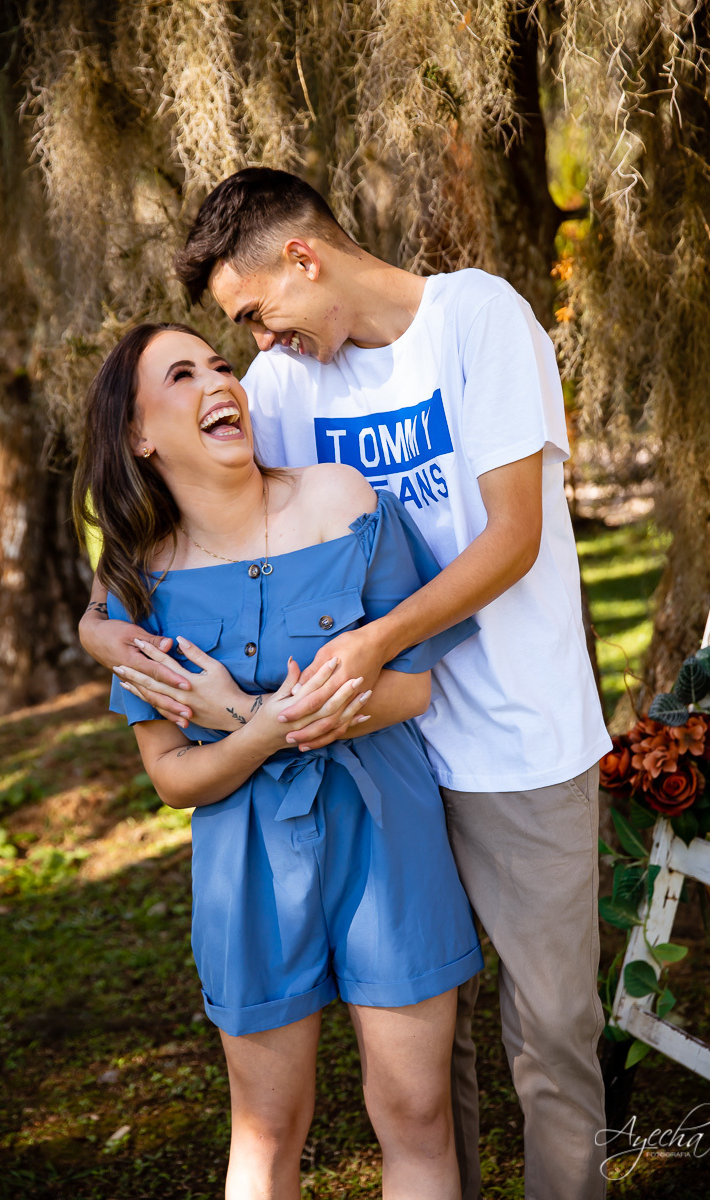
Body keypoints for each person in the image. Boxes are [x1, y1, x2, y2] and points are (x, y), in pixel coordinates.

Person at [79, 170, 613, 1199]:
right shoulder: (284, 386)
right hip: (387, 762)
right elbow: (205, 527)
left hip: (517, 741)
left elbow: (511, 538)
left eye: (252, 314)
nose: (255, 347)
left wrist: (372, 648)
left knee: (550, 1035)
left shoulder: (477, 319)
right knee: (425, 1069)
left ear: (304, 260)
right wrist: (100, 632)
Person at [73, 321, 485, 1199]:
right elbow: (173, 775)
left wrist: (246, 713)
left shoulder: (341, 499)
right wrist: (261, 732)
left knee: (416, 1112)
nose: (219, 381)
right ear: (139, 436)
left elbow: (410, 689)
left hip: (388, 841)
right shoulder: (140, 587)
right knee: (266, 1128)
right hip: (246, 867)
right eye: (180, 375)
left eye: (220, 364)